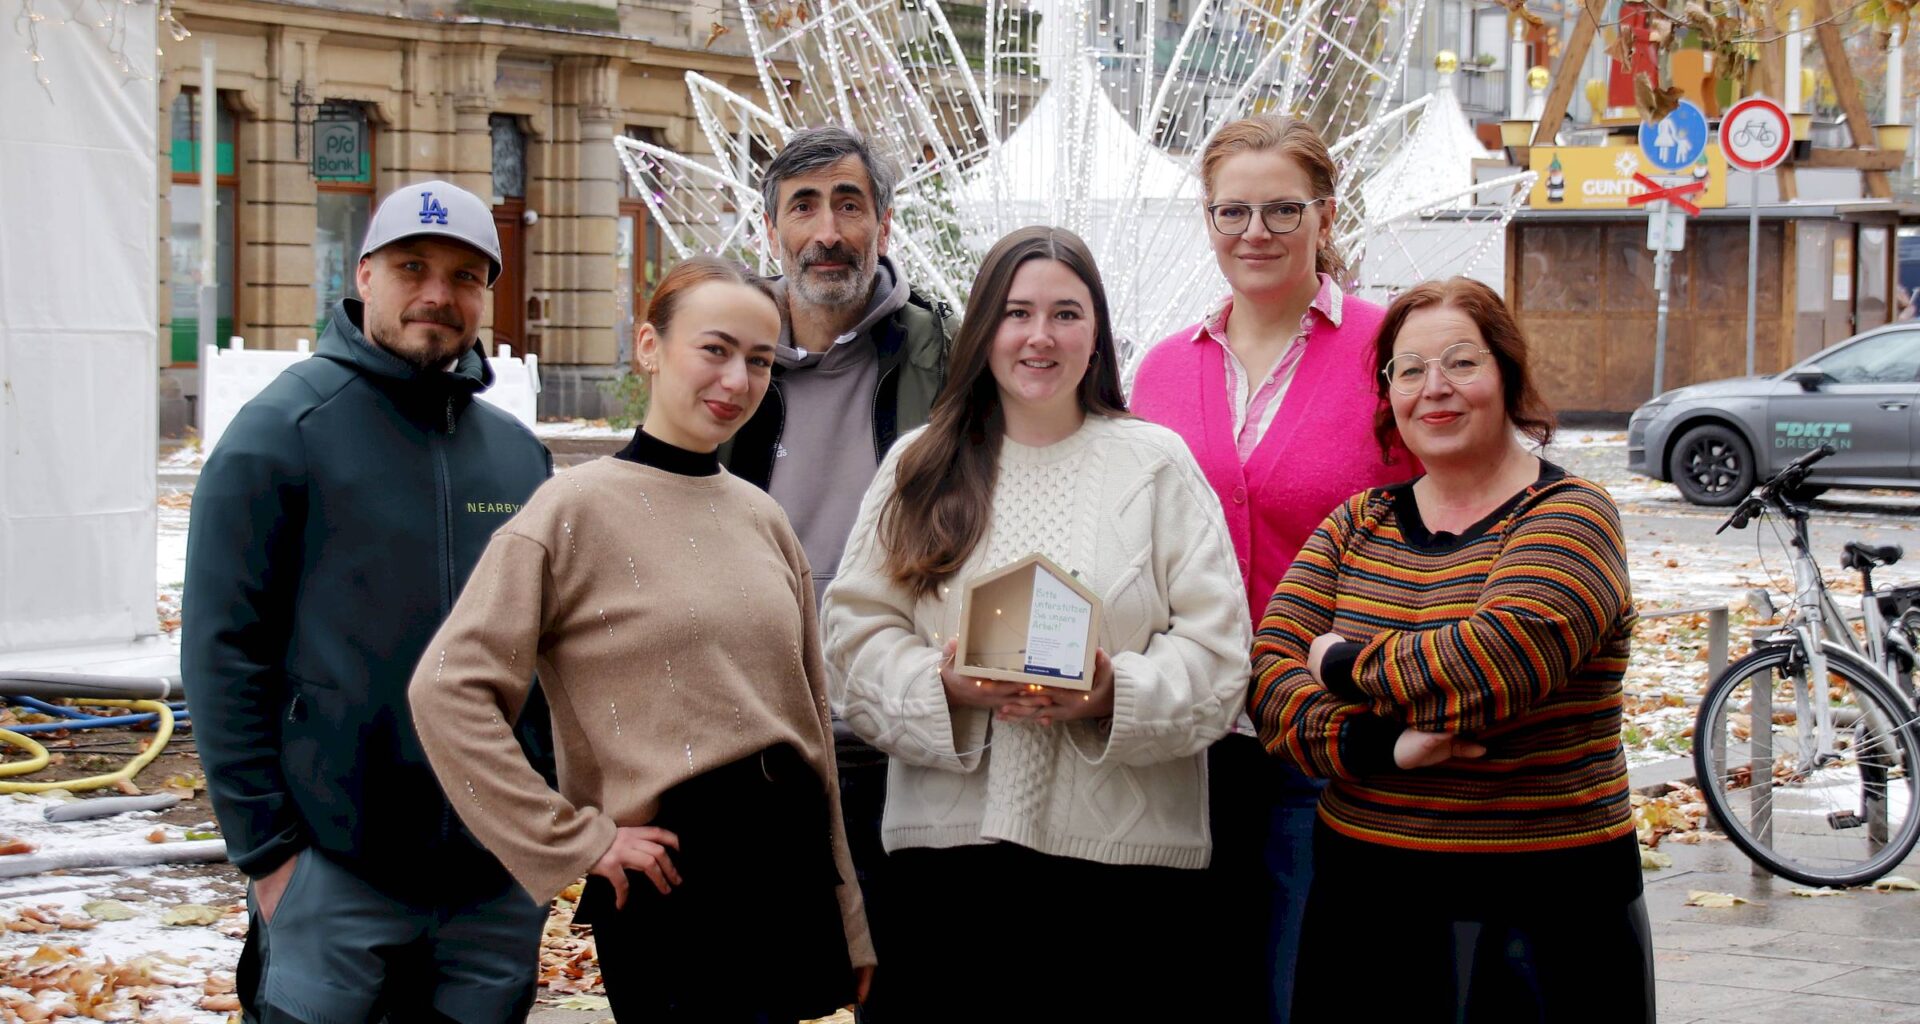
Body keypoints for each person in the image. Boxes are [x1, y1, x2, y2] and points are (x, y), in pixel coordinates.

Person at [409, 256, 873, 1022]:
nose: (737, 380)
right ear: (650, 348)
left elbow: (810, 726)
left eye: (759, 361)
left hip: (788, 868)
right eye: (715, 350)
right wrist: (573, 842)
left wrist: (852, 923)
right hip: (672, 882)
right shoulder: (571, 511)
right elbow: (448, 689)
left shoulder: (763, 518)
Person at [823, 226, 1250, 1023]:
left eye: (1066, 313)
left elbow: (1221, 656)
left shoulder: (1157, 464)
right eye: (1018, 313)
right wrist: (941, 686)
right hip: (947, 868)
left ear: (1097, 333)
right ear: (985, 327)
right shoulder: (919, 466)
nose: (1040, 337)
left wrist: (1111, 694)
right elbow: (852, 639)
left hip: (1124, 874)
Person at [183, 179, 554, 1024]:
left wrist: (543, 819)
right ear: (363, 276)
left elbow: (550, 655)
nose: (437, 293)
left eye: (465, 276)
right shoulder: (282, 433)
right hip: (332, 874)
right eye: (412, 266)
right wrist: (270, 855)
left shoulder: (516, 459)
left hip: (490, 887)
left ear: (485, 296)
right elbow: (221, 655)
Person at [1250, 277, 1653, 1022]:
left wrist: (1338, 663)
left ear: (1506, 373)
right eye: (1409, 370)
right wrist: (1382, 744)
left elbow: (1492, 664)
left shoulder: (1570, 516)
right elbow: (1271, 678)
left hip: (1544, 923)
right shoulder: (1356, 523)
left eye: (1462, 363)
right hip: (1364, 910)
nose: (1434, 389)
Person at [1128, 113, 1415, 1023]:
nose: (1256, 233)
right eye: (1232, 212)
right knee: (1199, 981)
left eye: (1283, 211)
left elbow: (1438, 520)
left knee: (1308, 983)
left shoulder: (1387, 350)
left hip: (1327, 730)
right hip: (1188, 733)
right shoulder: (1164, 370)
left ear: (1325, 217)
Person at [732, 126, 959, 1004]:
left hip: (891, 740)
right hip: (754, 742)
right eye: (804, 207)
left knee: (905, 992)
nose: (828, 231)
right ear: (772, 231)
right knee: (752, 993)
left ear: (884, 227)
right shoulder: (727, 359)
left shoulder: (944, 359)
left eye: (849, 204)